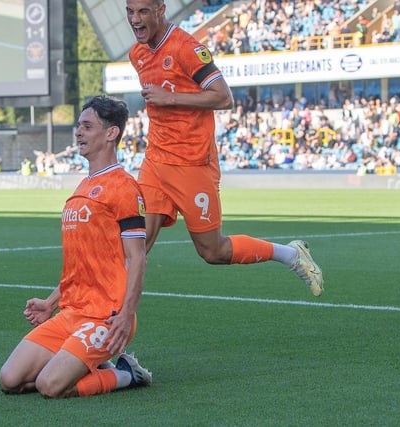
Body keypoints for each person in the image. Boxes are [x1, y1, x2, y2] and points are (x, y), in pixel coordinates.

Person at [125, 0, 323, 296]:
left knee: (213, 251)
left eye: (142, 11)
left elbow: (224, 97)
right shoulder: (137, 53)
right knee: (135, 248)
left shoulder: (185, 48)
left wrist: (171, 97)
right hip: (155, 161)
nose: (135, 19)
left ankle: (290, 254)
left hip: (192, 163)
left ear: (160, 10)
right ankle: (110, 331)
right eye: (129, 12)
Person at [0, 95, 152, 398]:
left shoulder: (123, 188)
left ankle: (125, 374)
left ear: (111, 133)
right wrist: (50, 302)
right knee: (10, 380)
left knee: (49, 386)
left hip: (104, 316)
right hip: (71, 314)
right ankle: (90, 364)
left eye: (87, 126)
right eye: (78, 126)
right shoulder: (84, 185)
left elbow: (137, 258)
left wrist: (125, 315)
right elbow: (82, 264)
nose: (78, 132)